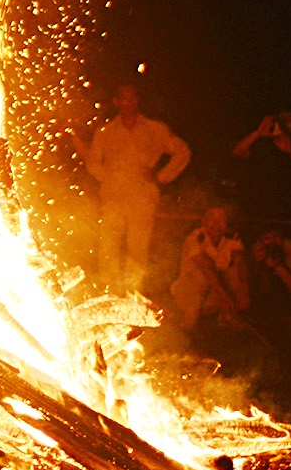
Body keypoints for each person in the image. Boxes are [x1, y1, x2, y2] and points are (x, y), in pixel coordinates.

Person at [82, 84, 191, 292]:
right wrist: (109, 178)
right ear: (116, 102)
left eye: (132, 98)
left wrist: (161, 176)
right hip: (114, 198)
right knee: (108, 248)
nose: (128, 102)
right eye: (124, 98)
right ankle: (110, 294)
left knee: (137, 251)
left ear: (138, 101)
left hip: (142, 198)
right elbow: (93, 163)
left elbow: (182, 152)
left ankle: (133, 296)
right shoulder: (105, 132)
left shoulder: (154, 129)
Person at [168, 204, 249, 330]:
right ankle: (188, 323)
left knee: (235, 272)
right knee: (201, 275)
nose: (216, 223)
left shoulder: (232, 237)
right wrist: (224, 295)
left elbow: (240, 262)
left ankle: (227, 316)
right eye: (212, 217)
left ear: (226, 222)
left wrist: (244, 289)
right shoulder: (194, 238)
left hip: (213, 298)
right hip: (187, 297)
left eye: (221, 218)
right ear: (204, 221)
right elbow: (205, 267)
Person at [229, 112, 291, 221]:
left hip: (286, 215)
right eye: (281, 121)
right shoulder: (262, 144)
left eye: (288, 122)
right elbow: (236, 152)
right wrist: (257, 133)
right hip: (256, 212)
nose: (284, 126)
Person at [247, 228, 291, 333]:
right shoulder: (256, 250)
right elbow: (250, 283)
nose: (272, 242)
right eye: (267, 238)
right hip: (267, 300)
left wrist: (278, 266)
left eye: (276, 237)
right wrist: (255, 262)